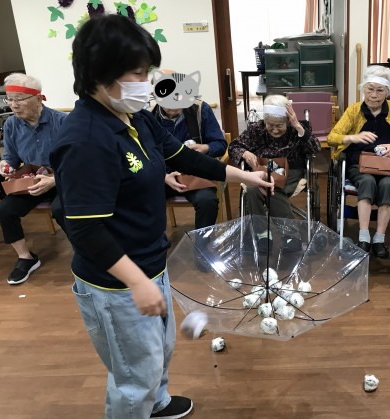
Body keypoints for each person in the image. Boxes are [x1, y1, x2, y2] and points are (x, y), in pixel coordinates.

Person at [49, 14, 273, 419]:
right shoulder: (85, 140)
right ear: (101, 74)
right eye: (137, 73)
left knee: (158, 351)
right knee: (135, 374)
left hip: (152, 259)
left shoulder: (134, 116)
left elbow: (183, 156)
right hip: (115, 281)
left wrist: (244, 176)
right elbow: (84, 230)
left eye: (146, 72)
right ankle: (140, 406)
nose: (146, 82)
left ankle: (158, 404)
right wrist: (136, 282)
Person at [327, 65, 390, 258]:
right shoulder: (354, 110)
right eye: (370, 89)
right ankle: (364, 237)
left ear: (387, 92)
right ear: (363, 89)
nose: (374, 95)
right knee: (367, 181)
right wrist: (353, 137)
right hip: (360, 164)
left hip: (389, 164)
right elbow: (332, 137)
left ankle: (379, 239)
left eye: (380, 90)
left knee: (388, 185)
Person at [228, 94, 320, 251]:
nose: (275, 129)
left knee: (269, 188)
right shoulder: (256, 129)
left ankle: (281, 235)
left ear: (288, 121)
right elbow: (233, 147)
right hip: (262, 170)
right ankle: (273, 235)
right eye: (270, 125)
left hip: (290, 172)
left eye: (280, 125)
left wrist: (298, 126)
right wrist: (244, 153)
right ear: (264, 120)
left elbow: (315, 148)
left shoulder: (297, 128)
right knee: (253, 189)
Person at [0, 73, 67, 285]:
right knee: (4, 210)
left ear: (38, 98)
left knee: (61, 209)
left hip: (62, 179)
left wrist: (53, 180)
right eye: (10, 99)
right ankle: (26, 258)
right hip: (32, 182)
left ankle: (87, 253)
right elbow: (11, 157)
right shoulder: (11, 125)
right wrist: (6, 164)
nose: (13, 105)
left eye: (19, 99)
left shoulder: (62, 122)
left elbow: (78, 161)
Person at [152, 98, 227, 229]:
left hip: (195, 175)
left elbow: (220, 144)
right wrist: (163, 176)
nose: (173, 106)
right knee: (143, 199)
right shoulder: (148, 115)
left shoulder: (200, 109)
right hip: (163, 175)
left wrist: (205, 148)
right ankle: (154, 241)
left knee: (207, 201)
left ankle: (201, 241)